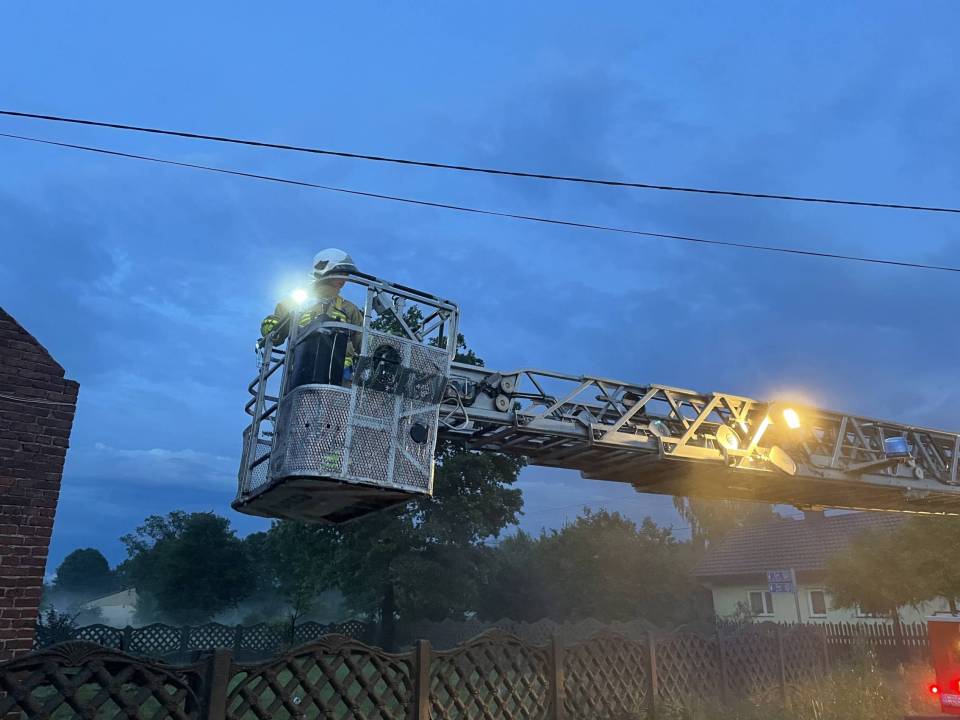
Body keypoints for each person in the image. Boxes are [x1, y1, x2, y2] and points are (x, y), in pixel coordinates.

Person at [259, 248, 364, 385]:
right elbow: (275, 337)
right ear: (323, 268)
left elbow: (363, 343)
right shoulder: (294, 303)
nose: (344, 278)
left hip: (341, 379)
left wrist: (382, 349)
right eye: (340, 272)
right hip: (301, 374)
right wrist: (270, 326)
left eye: (346, 274)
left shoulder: (349, 308)